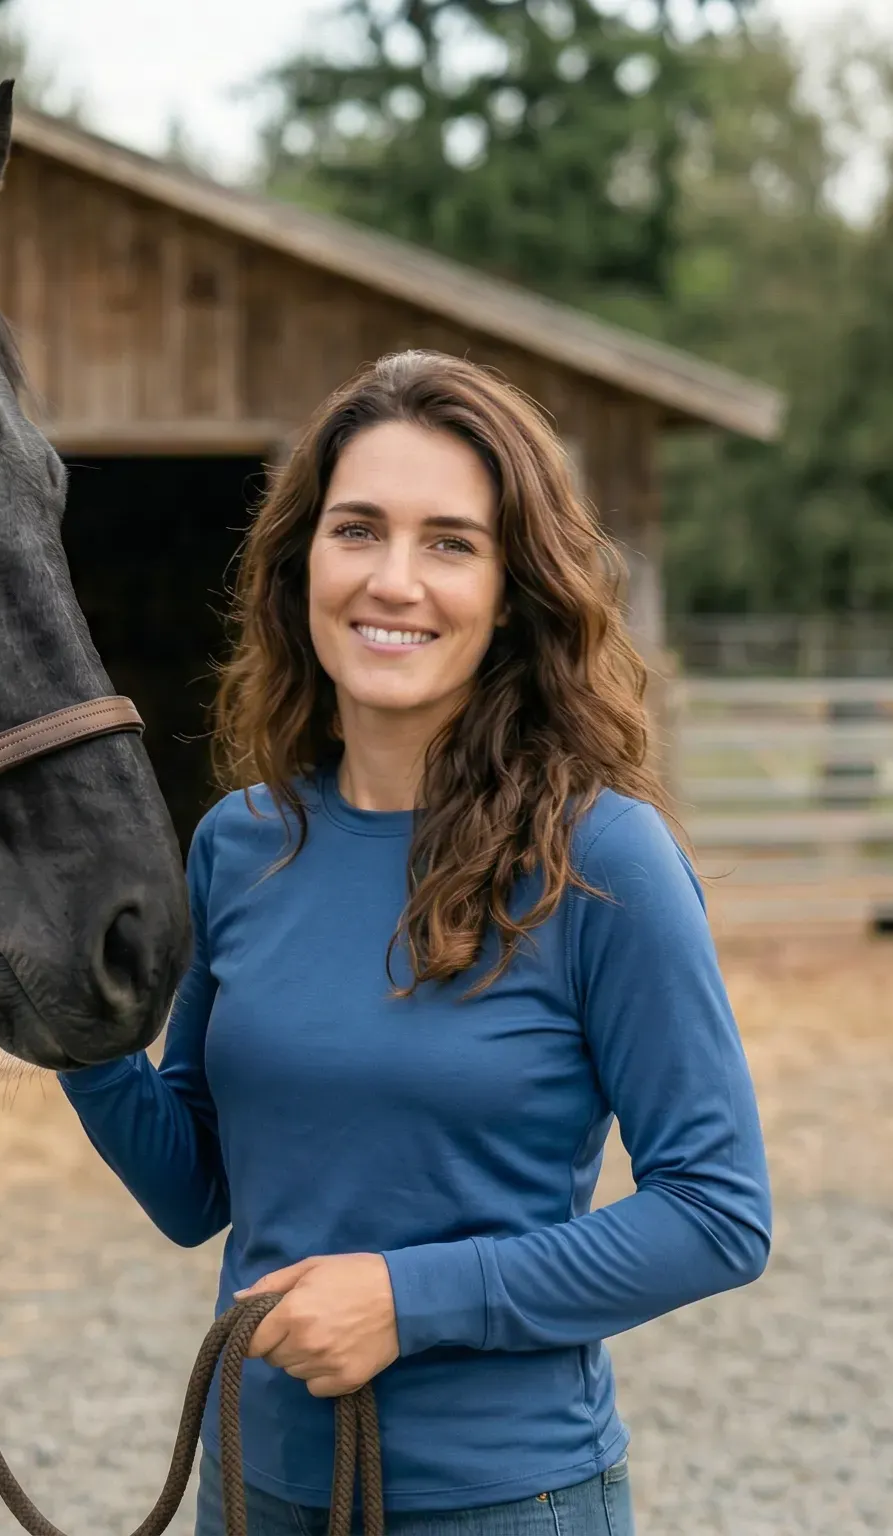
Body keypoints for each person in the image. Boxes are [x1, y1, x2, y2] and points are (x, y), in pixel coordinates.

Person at [60, 351, 771, 1534]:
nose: (394, 581)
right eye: (357, 531)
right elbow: (197, 1192)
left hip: (502, 1500)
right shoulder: (240, 843)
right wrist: (76, 1040)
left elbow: (715, 1211)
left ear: (511, 589)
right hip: (252, 1490)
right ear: (299, 569)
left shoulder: (600, 858)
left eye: (448, 542)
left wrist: (410, 1298)